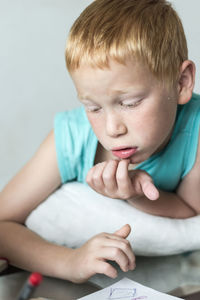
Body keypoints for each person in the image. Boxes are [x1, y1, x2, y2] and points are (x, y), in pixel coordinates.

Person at [0, 0, 199, 283]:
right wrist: (70, 262)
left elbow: (190, 211)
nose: (111, 128)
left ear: (181, 83)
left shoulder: (196, 127)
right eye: (93, 108)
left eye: (130, 103)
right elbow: (2, 222)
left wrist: (134, 194)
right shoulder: (71, 139)